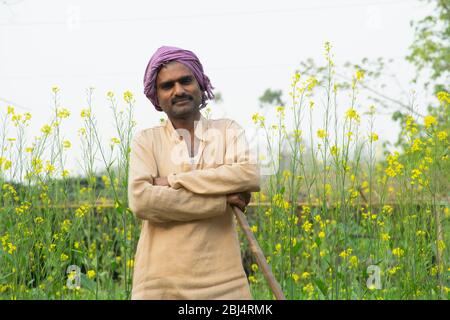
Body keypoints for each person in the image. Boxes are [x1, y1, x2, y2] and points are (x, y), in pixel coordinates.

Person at [128, 45, 261, 299]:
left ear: (200, 85)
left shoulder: (227, 131)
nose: (178, 90)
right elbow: (141, 200)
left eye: (186, 81)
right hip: (158, 286)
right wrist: (219, 201)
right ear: (157, 96)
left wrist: (173, 180)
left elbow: (249, 174)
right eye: (167, 86)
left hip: (226, 286)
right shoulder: (147, 141)